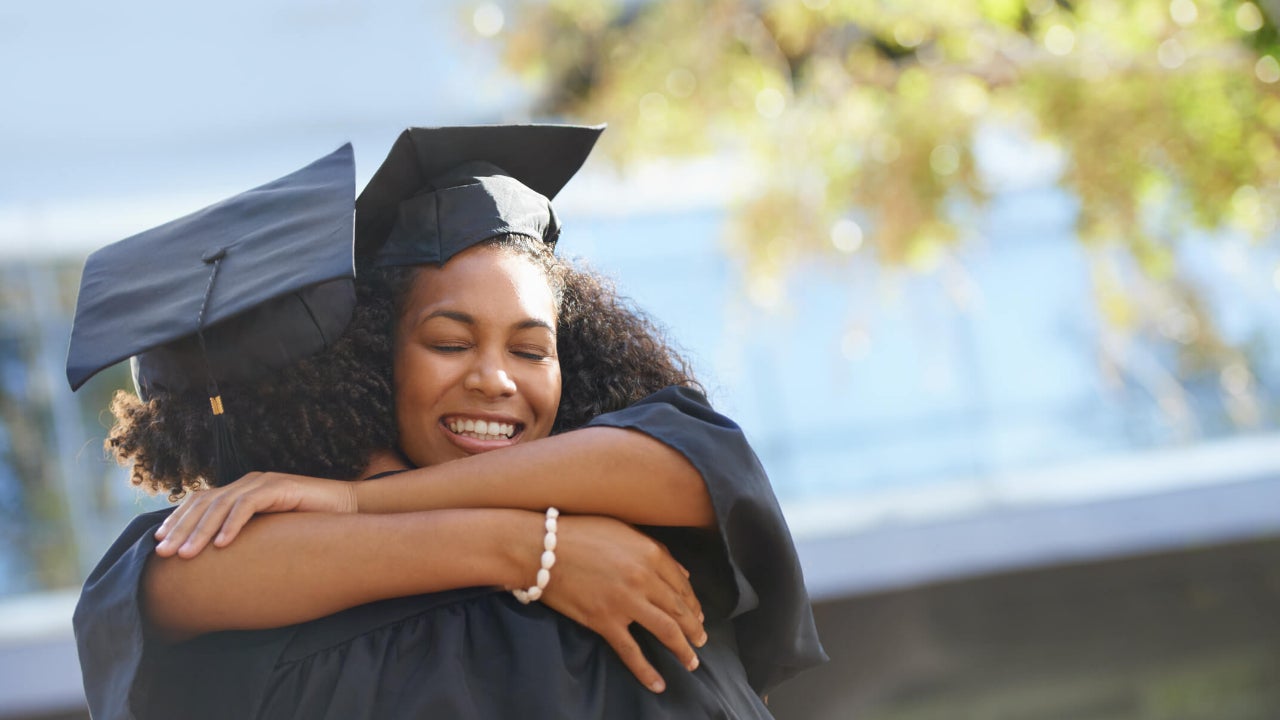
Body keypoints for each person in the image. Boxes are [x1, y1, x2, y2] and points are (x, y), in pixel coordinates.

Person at [70, 126, 825, 719]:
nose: (494, 378)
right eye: (449, 342)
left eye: (533, 349)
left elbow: (691, 469)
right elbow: (177, 576)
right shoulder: (258, 577)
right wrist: (536, 551)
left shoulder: (634, 500)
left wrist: (368, 500)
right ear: (371, 364)